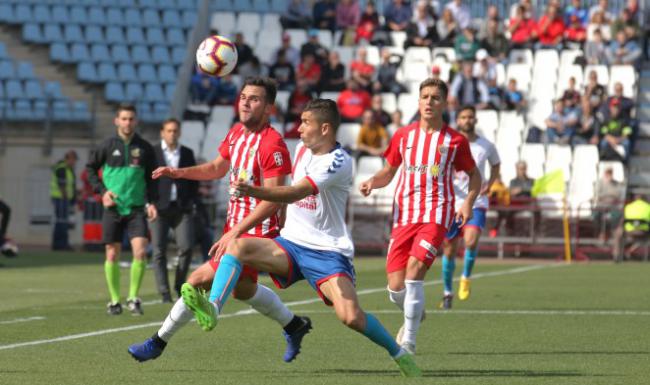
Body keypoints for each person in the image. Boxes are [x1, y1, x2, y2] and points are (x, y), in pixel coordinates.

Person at [179, 99, 422, 377]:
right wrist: (277, 216)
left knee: (351, 317)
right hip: (292, 245)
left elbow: (296, 192)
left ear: (325, 128)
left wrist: (253, 191)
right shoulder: (303, 151)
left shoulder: (338, 162)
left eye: (307, 123)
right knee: (237, 244)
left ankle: (399, 353)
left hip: (328, 253)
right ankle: (212, 308)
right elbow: (289, 194)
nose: (300, 128)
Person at [128, 77, 309, 364]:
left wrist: (237, 232)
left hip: (256, 234)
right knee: (244, 290)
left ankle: (158, 342)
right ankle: (294, 325)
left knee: (195, 281)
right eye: (243, 97)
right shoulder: (236, 133)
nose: (246, 103)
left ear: (269, 108)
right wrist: (178, 173)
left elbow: (275, 198)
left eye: (255, 99)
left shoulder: (273, 144)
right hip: (234, 230)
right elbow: (216, 168)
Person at [359, 78, 481, 354]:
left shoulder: (455, 141)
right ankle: (415, 310)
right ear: (418, 101)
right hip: (404, 215)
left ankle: (410, 343)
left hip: (436, 214)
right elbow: (388, 172)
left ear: (444, 103)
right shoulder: (403, 136)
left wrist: (467, 204)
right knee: (394, 288)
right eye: (424, 96)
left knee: (415, 272)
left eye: (435, 97)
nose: (429, 101)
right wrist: (371, 182)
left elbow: (475, 175)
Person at [86, 104, 158, 316]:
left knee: (141, 251)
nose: (127, 122)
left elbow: (152, 179)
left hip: (136, 209)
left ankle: (133, 298)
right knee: (112, 253)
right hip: (113, 209)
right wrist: (103, 192)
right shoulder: (107, 146)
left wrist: (151, 202)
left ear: (136, 121)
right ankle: (115, 300)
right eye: (124, 119)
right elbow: (90, 168)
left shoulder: (145, 148)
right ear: (116, 121)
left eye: (131, 119)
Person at [439, 106, 500, 309]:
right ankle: (447, 292)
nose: (467, 120)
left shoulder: (486, 145)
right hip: (452, 202)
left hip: (476, 201)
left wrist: (490, 184)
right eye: (463, 117)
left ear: (475, 119)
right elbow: (437, 167)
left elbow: (496, 164)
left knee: (471, 241)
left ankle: (465, 276)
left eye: (470, 117)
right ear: (458, 120)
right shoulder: (448, 143)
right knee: (449, 249)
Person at [151, 119, 198, 303]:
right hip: (158, 207)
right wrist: (149, 203)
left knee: (186, 247)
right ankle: (164, 292)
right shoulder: (152, 153)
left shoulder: (187, 153)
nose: (172, 134)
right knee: (158, 251)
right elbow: (147, 180)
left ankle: (179, 286)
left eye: (175, 130)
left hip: (182, 207)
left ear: (179, 133)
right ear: (162, 132)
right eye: (169, 130)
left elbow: (194, 178)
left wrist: (192, 201)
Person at [51, 150, 78, 251]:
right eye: (73, 159)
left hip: (64, 199)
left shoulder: (68, 169)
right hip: (60, 199)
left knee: (62, 221)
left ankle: (59, 244)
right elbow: (62, 185)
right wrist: (67, 198)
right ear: (68, 159)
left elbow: (71, 185)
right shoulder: (62, 168)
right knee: (62, 221)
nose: (74, 162)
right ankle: (61, 244)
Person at [612, 194, 650, 261]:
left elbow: (623, 221)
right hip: (644, 232)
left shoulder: (628, 207)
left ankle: (617, 255)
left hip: (629, 232)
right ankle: (629, 251)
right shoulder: (648, 207)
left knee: (618, 234)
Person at [593, 167, 624, 243]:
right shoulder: (599, 183)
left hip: (613, 206)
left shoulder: (616, 184)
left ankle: (612, 233)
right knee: (596, 215)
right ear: (604, 174)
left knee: (617, 215)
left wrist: (609, 196)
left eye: (610, 173)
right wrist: (609, 196)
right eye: (607, 173)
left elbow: (618, 194)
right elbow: (598, 195)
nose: (609, 175)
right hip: (601, 205)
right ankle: (600, 233)